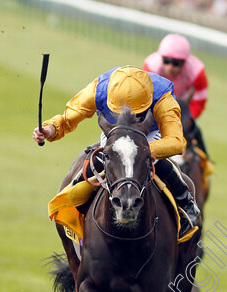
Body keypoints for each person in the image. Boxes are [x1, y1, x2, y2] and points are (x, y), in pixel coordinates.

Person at [32, 66, 200, 237]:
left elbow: (177, 142)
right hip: (114, 133)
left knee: (155, 163)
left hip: (147, 135)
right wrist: (51, 129)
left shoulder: (163, 96)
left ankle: (186, 205)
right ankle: (71, 203)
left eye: (138, 113)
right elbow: (69, 118)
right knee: (97, 161)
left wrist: (137, 151)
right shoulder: (99, 89)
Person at [143, 34, 209, 152]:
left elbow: (199, 101)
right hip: (156, 104)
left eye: (176, 63)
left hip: (182, 108)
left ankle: (205, 160)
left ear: (185, 62)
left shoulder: (197, 72)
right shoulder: (150, 67)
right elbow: (144, 96)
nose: (170, 67)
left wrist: (186, 118)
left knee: (195, 131)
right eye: (166, 61)